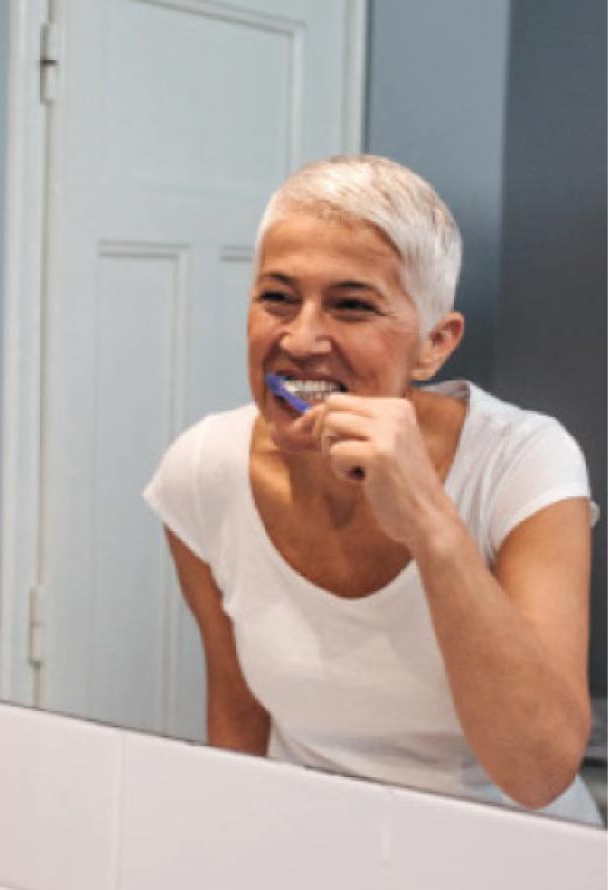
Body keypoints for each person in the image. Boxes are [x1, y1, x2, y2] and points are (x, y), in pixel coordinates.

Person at [144, 154, 600, 825]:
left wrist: (429, 523)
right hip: (326, 852)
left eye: (351, 306)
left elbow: (538, 771)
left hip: (519, 862)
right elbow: (239, 718)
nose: (300, 340)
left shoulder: (525, 463)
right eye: (277, 297)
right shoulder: (203, 471)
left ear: (433, 346)